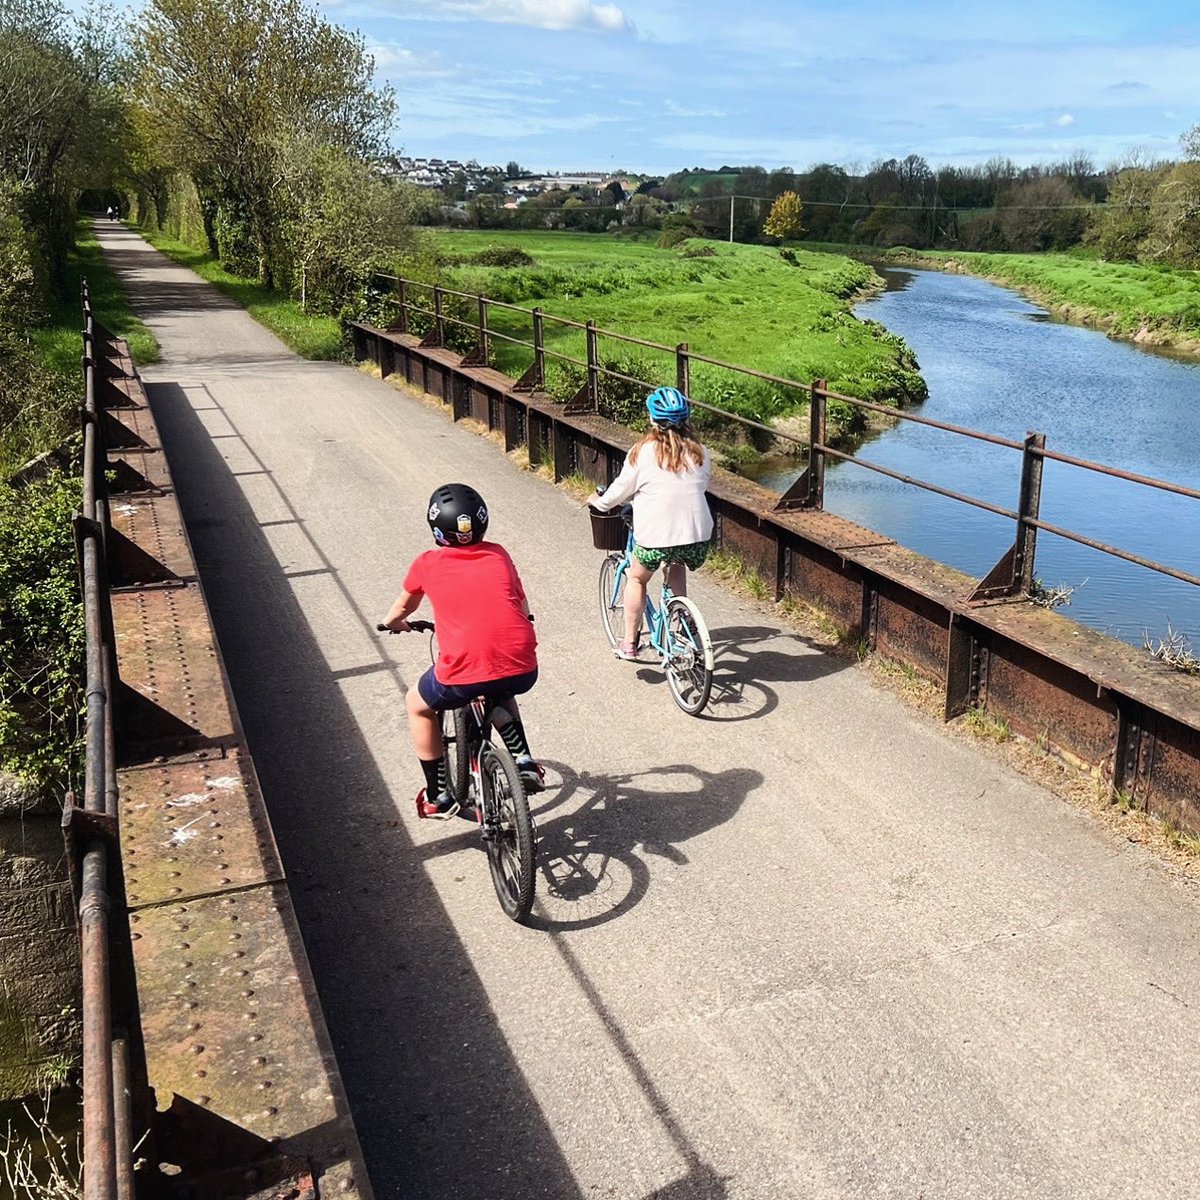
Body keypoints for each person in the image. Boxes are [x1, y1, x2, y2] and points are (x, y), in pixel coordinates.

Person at [381, 483, 542, 819]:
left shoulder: (427, 563)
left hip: (463, 672)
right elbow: (521, 602)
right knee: (501, 686)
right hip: (522, 664)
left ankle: (438, 796)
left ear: (436, 529)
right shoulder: (499, 554)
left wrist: (394, 623)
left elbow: (402, 609)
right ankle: (524, 761)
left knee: (417, 706)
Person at [587, 386, 713, 660]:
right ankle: (682, 620)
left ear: (652, 419)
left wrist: (600, 502)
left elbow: (620, 490)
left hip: (656, 537)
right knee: (676, 564)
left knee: (637, 578)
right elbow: (699, 486)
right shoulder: (701, 452)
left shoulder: (642, 452)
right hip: (697, 537)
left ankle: (629, 644)